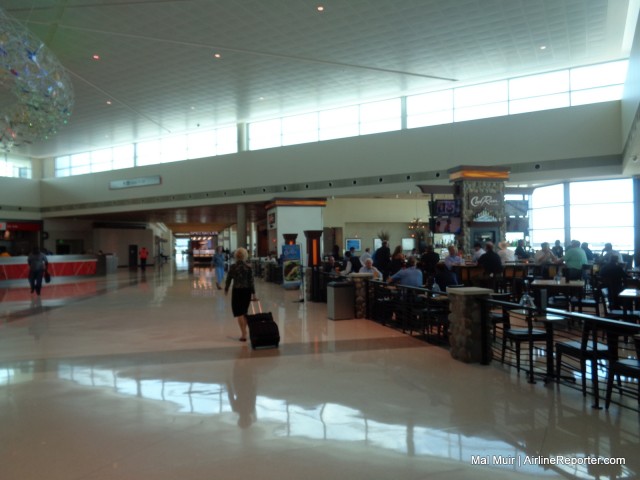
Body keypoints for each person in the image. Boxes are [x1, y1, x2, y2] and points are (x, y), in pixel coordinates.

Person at [225, 248, 258, 342]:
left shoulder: (233, 267)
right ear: (245, 256)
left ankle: (243, 333)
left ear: (236, 256)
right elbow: (251, 282)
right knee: (244, 312)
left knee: (239, 313)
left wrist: (226, 289)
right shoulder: (249, 267)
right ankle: (246, 331)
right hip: (246, 291)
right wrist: (254, 294)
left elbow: (228, 279)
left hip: (237, 291)